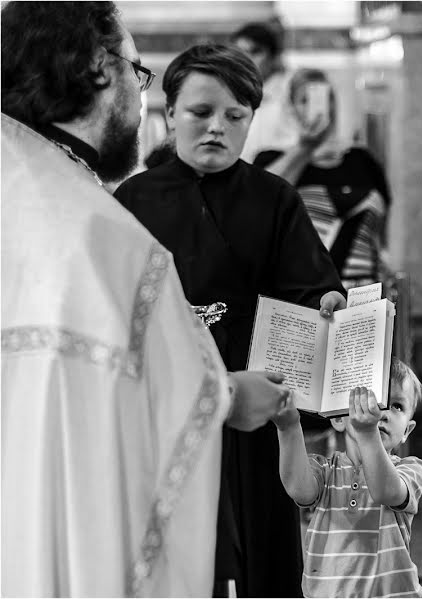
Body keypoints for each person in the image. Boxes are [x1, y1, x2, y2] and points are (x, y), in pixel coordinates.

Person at [0, 2, 295, 596]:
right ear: (96, 67)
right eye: (139, 73)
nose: (142, 102)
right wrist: (231, 393)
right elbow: (146, 400)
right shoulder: (98, 234)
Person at [113, 44, 346, 597]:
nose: (217, 127)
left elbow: (313, 289)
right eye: (200, 113)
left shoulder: (274, 198)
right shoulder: (133, 200)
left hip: (258, 403)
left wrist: (330, 306)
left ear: (251, 122)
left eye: (234, 116)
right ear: (168, 114)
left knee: (262, 547)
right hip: (167, 405)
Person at [273, 360, 422, 598]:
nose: (382, 412)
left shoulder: (411, 469)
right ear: (338, 418)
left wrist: (367, 433)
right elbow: (299, 490)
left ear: (407, 430)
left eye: (396, 406)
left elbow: (386, 491)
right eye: (367, 399)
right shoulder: (324, 469)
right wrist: (289, 427)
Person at [255, 69, 392, 291]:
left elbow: (381, 228)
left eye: (326, 97)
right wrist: (304, 148)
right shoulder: (270, 159)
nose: (319, 107)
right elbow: (260, 203)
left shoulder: (362, 160)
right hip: (299, 293)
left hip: (365, 291)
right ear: (290, 108)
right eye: (304, 100)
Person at [232, 21, 299, 165]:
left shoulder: (292, 88)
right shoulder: (230, 95)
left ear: (273, 57)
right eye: (239, 53)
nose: (245, 59)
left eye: (255, 51)